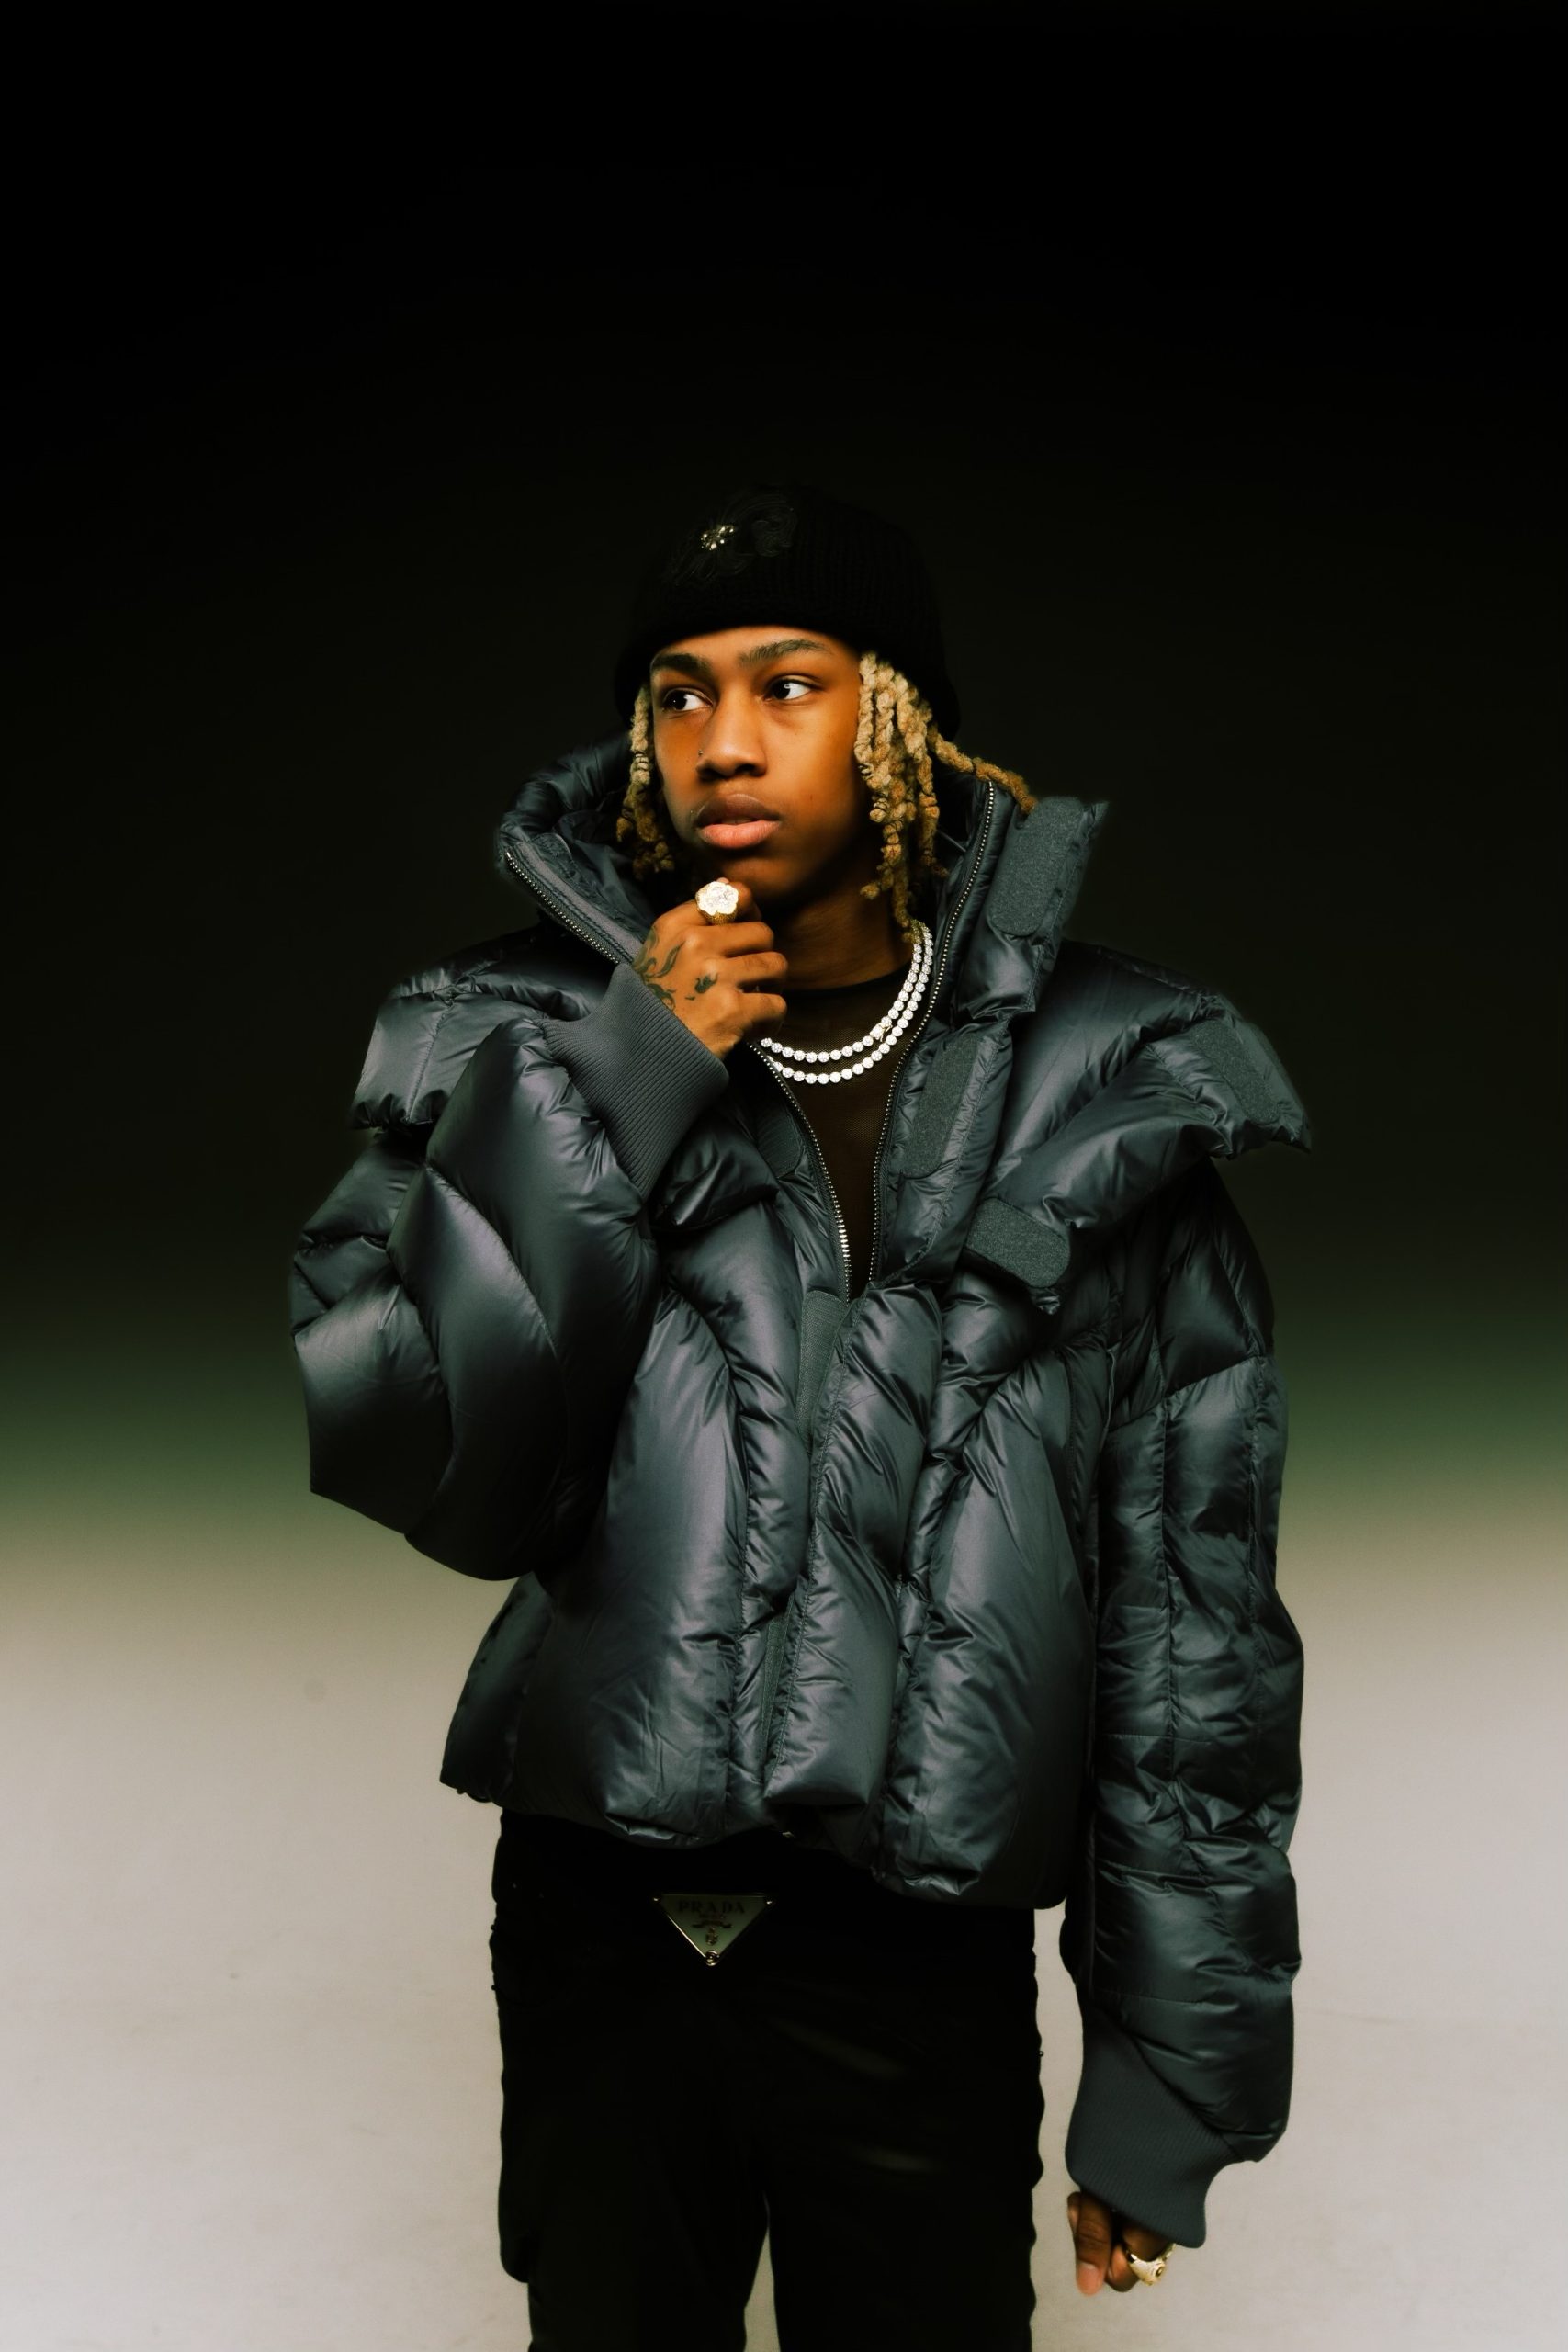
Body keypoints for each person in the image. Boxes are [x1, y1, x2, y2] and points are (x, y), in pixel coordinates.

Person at [288, 480, 1311, 2350]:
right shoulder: (513, 1038)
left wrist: (1169, 2079)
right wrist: (618, 1084)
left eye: (786, 683)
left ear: (895, 717)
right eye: (678, 694)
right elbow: (422, 1455)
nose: (722, 741)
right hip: (600, 1924)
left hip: (915, 1955)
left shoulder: (1102, 1092)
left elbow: (1192, 1641)